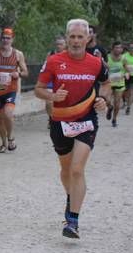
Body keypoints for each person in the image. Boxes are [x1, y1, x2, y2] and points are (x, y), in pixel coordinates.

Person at [34, 18, 111, 239]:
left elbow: (106, 83)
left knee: (77, 169)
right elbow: (39, 89)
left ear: (88, 39)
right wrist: (52, 95)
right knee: (66, 170)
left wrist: (104, 99)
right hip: (60, 121)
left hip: (86, 121)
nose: (76, 41)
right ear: (67, 38)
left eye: (80, 37)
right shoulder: (54, 61)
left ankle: (73, 221)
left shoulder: (96, 63)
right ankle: (71, 197)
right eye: (72, 37)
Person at [104, 42, 126, 127]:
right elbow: (103, 67)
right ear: (112, 48)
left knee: (117, 103)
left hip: (120, 82)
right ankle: (109, 107)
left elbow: (126, 68)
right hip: (109, 82)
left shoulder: (124, 58)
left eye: (120, 48)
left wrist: (127, 73)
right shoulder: (107, 57)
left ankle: (114, 119)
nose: (118, 49)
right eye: (116, 47)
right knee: (107, 100)